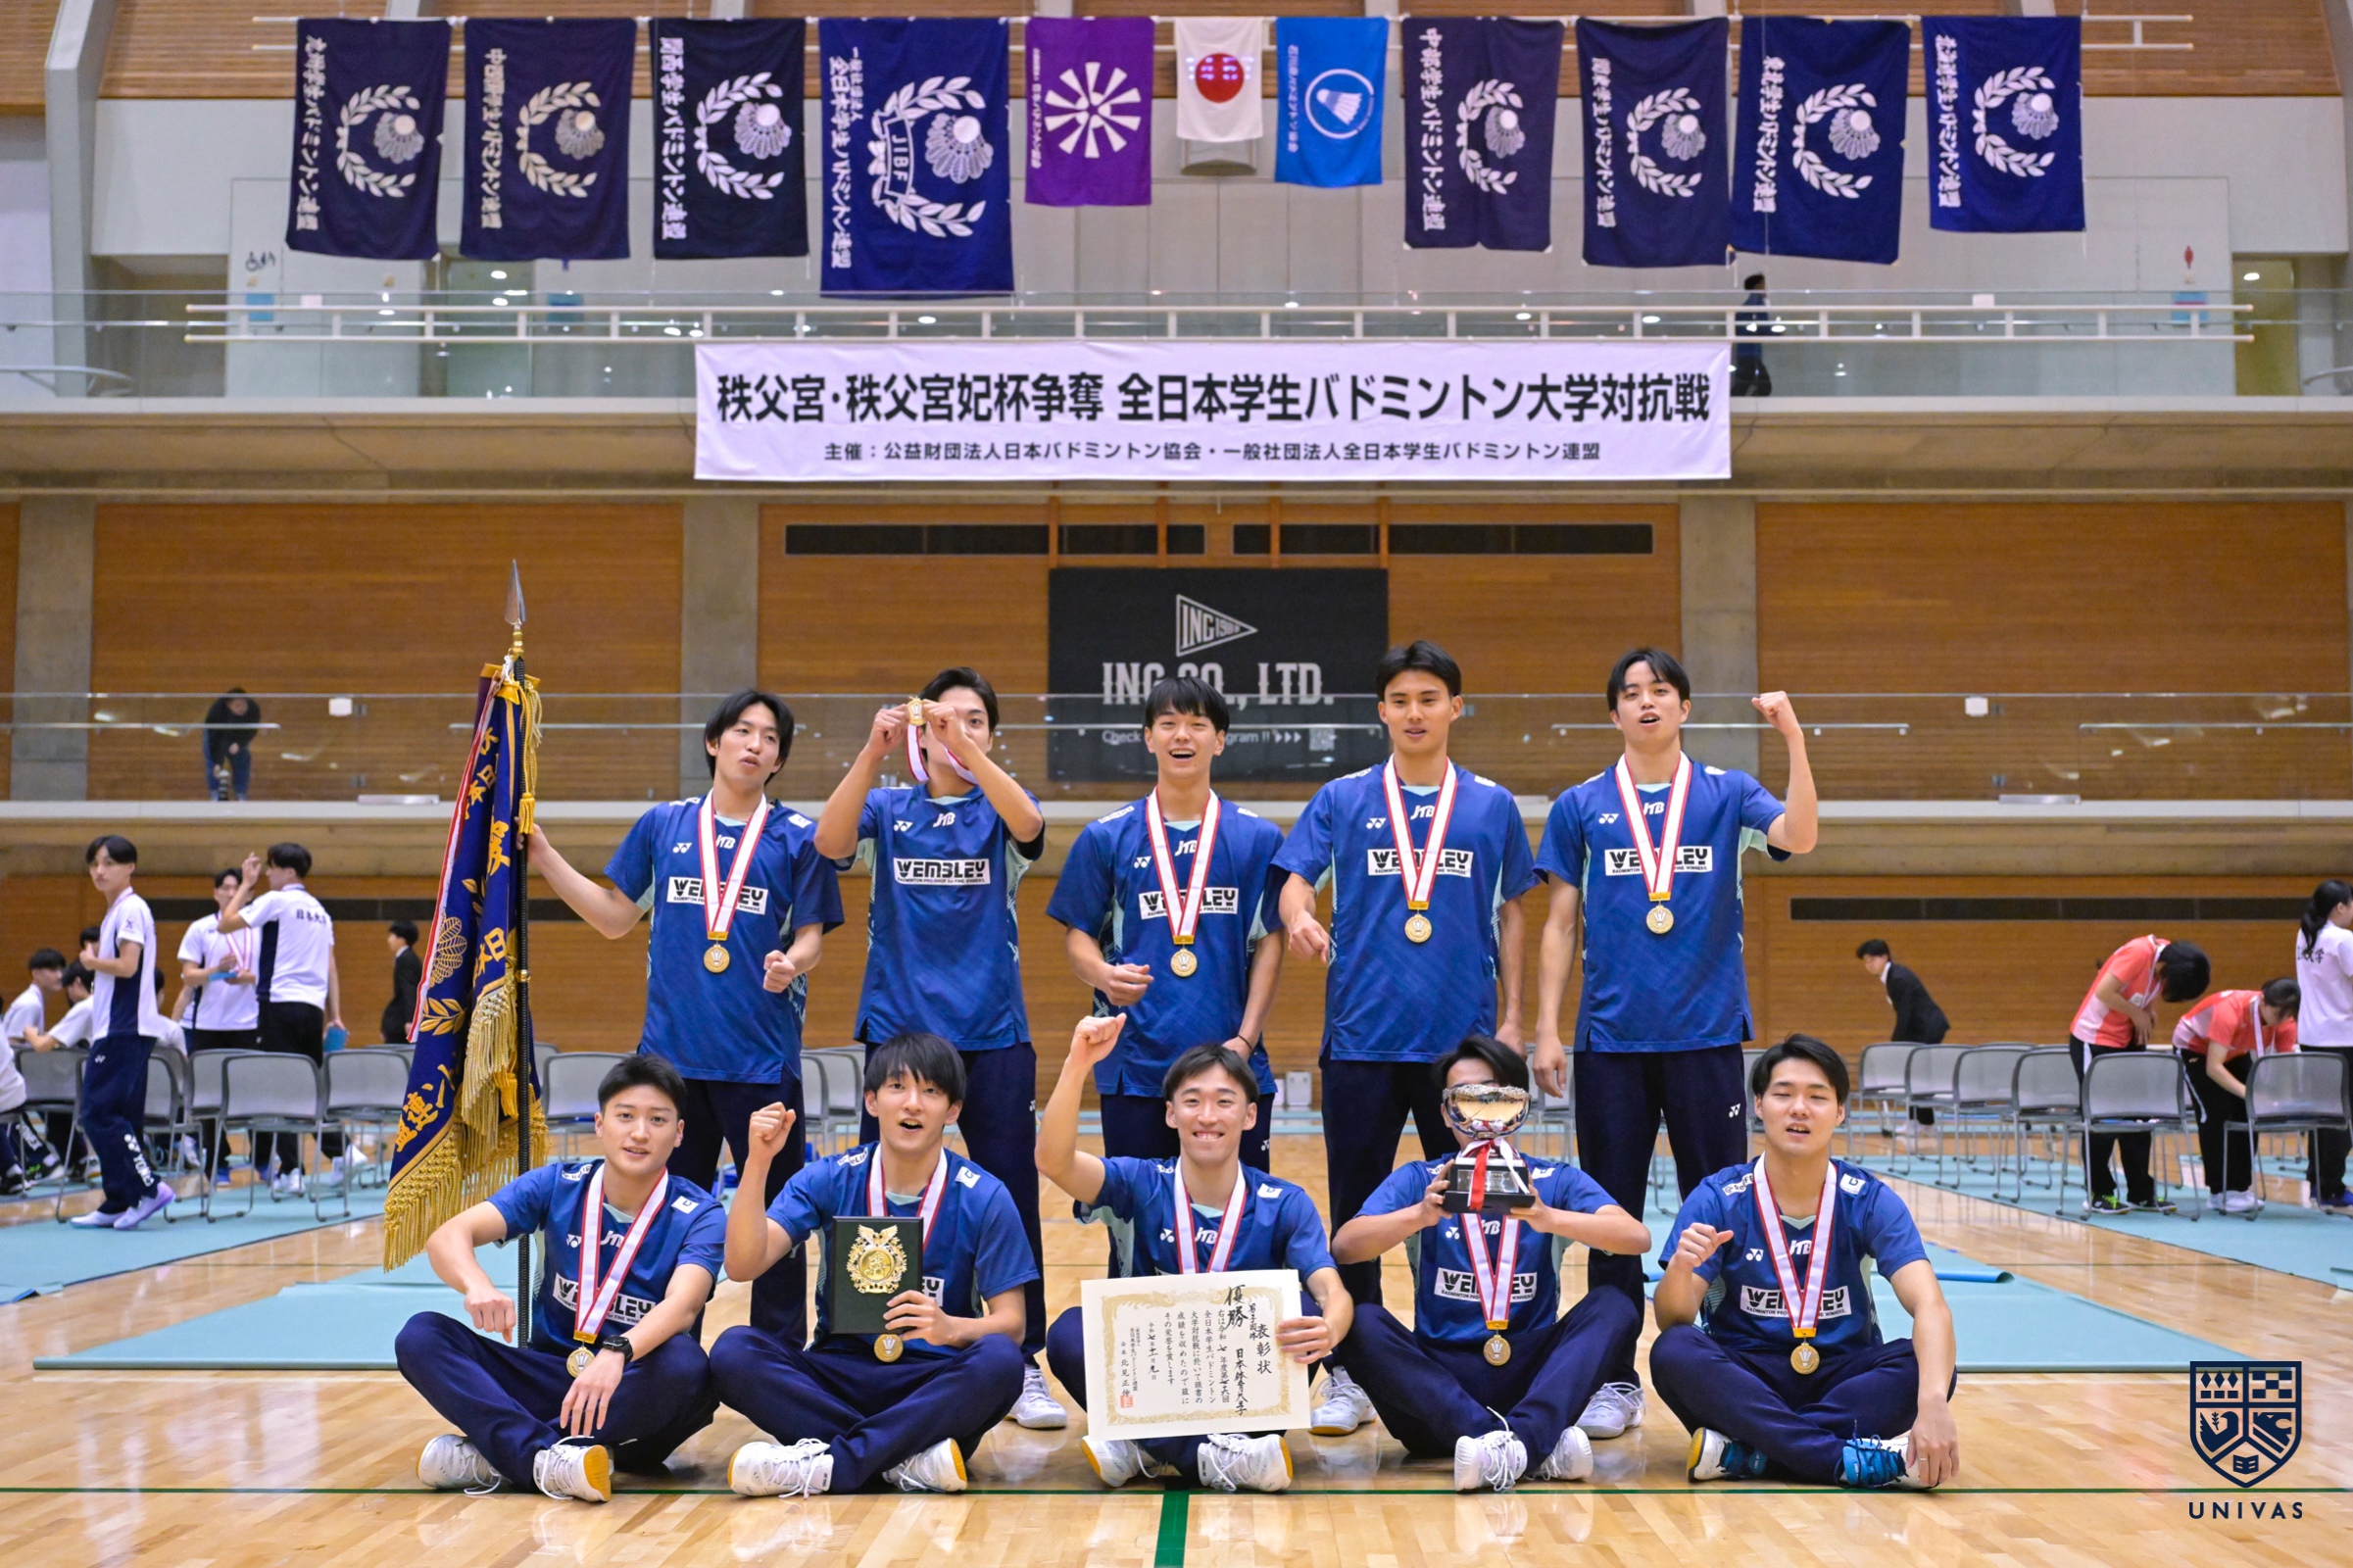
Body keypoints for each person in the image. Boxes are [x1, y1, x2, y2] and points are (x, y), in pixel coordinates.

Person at [1530, 647, 1816, 1440]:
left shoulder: (1726, 793)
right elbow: (1558, 924)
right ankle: (1612, 1379)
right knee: (1607, 1217)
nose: (1646, 702)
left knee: (1719, 1211)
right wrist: (1547, 1028)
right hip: (1611, 1042)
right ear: (1614, 713)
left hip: (1706, 1038)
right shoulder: (1580, 805)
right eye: (1630, 693)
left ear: (1684, 707)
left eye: (1659, 691)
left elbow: (1800, 835)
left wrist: (1793, 738)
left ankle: (1727, 1373)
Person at [1273, 638, 1536, 1439]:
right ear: (1381, 712)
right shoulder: (1342, 798)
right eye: (1399, 701)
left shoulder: (1491, 805)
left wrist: (1514, 1019)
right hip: (1362, 1040)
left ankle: (1459, 1358)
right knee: (1355, 1214)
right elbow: (1293, 881)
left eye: (1428, 699)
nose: (1414, 713)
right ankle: (1352, 1372)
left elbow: (1515, 910)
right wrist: (1297, 915)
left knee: (1473, 1207)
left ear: (1455, 707)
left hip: (1462, 1052)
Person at [528, 689, 844, 1344]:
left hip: (761, 1065)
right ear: (713, 742)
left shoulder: (798, 838)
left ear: (780, 760)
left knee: (777, 1217)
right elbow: (614, 918)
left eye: (770, 738)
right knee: (666, 1216)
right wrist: (545, 857)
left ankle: (777, 1357)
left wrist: (792, 962)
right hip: (669, 1069)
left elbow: (813, 937)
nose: (755, 744)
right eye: (743, 731)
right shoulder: (663, 825)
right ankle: (666, 1355)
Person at [810, 666, 1062, 1428]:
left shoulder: (999, 811)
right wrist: (872, 752)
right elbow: (827, 842)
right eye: (943, 720)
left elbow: (1031, 825)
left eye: (975, 720)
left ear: (991, 734)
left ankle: (1021, 1360)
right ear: (917, 735)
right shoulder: (888, 809)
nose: (957, 730)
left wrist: (966, 751)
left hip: (993, 1034)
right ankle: (869, 1349)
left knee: (1010, 1193)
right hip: (900, 1036)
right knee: (877, 1198)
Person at [393, 1054, 725, 1504]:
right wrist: (477, 1285)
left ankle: (502, 1455)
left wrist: (617, 1351)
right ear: (600, 1124)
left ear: (679, 1133)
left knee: (689, 1366)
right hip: (549, 1375)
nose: (640, 1133)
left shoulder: (700, 1213)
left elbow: (684, 1305)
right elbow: (447, 1236)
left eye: (657, 1120)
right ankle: (548, 1460)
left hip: (632, 1384)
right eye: (625, 1116)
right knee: (421, 1335)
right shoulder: (557, 1184)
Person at [713, 1032, 1032, 1497]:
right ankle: (904, 1458)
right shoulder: (830, 1177)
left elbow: (1012, 1325)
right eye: (898, 1087)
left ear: (953, 1110)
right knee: (734, 1351)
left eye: (931, 1091)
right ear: (872, 1101)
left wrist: (950, 1328)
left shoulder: (984, 1195)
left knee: (1001, 1361)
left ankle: (832, 1464)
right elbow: (743, 1265)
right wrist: (758, 1162)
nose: (913, 1104)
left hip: (931, 1384)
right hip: (840, 1375)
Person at [1036, 1016, 1347, 1494]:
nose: (1207, 1116)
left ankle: (1143, 1448)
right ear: (1170, 1114)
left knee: (1303, 1314)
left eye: (1224, 1102)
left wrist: (1331, 1329)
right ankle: (1217, 1458)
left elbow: (1332, 1291)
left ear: (1249, 1115)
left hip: (1239, 1388)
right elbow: (1053, 1161)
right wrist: (1078, 1063)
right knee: (1069, 1333)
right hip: (1156, 1371)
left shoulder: (1284, 1202)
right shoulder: (1139, 1182)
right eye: (1193, 1101)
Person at [1328, 1034, 1650, 1493]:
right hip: (1437, 1390)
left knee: (1614, 1306)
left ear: (1519, 1105)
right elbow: (1345, 1247)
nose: (1481, 1113)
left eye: (1494, 1097)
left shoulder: (1551, 1179)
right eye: (1466, 1098)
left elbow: (1635, 1238)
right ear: (1445, 1112)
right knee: (1360, 1321)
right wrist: (1419, 1215)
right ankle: (1530, 1447)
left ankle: (1513, 1443)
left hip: (1531, 1378)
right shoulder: (1422, 1179)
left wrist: (1548, 1217)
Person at [1650, 1035, 1959, 1491]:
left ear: (1840, 1112)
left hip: (1841, 1377)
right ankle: (1836, 1458)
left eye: (1817, 1097)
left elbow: (1930, 1305)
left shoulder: (1868, 1199)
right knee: (1674, 1350)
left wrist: (1933, 1403)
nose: (1799, 1109)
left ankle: (1755, 1454)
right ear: (1758, 1105)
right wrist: (1680, 1269)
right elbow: (1672, 1318)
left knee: (1928, 1365)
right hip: (1746, 1378)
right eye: (1783, 1094)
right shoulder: (1718, 1196)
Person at [1047, 674, 1287, 1181]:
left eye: (1197, 724)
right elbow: (1078, 934)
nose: (1182, 735)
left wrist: (1245, 1041)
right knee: (1137, 1213)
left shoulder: (1258, 838)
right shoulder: (1105, 837)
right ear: (1148, 737)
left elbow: (1270, 942)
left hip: (1233, 1067)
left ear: (1219, 741)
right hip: (1135, 1070)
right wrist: (1102, 975)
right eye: (1168, 723)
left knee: (1239, 1214)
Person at [218, 843, 347, 1194]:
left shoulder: (277, 901)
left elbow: (226, 923)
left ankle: (293, 1170)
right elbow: (331, 966)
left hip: (279, 1004)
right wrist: (334, 1014)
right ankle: (341, 1152)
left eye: (271, 868)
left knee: (281, 1087)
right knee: (310, 1086)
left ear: (288, 872)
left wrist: (246, 884)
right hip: (312, 1009)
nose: (267, 874)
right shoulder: (321, 912)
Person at [71, 836, 176, 1230]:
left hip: (123, 1026)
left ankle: (148, 1188)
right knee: (123, 1117)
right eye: (94, 863)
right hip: (122, 1027)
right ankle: (119, 1199)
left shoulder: (131, 908)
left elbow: (129, 966)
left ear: (130, 867)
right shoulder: (117, 910)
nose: (100, 871)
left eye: (109, 863)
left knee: (98, 1112)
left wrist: (91, 962)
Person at [2068, 933, 2210, 1214]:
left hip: (2128, 1040)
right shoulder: (2139, 952)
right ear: (2167, 970)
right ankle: (2099, 1193)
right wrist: (2137, 1013)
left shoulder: (2168, 957)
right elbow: (2104, 992)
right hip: (2094, 1040)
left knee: (2138, 1116)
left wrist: (2149, 1010)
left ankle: (2141, 1192)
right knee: (2102, 1118)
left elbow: (2146, 988)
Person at [2173, 979, 2299, 1215]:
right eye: (2277, 1012)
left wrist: (2273, 1100)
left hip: (2234, 1051)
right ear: (2263, 1001)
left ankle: (2239, 1188)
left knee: (2248, 1112)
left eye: (2287, 1014)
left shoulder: (2286, 1024)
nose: (2281, 1019)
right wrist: (2249, 1094)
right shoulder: (2229, 1010)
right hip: (2196, 1049)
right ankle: (2219, 1192)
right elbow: (2213, 1068)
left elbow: (2282, 1068)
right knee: (2215, 1112)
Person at [2293, 879, 2353, 1216]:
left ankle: (2319, 1180)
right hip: (2342, 1037)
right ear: (2340, 906)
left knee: (2324, 1111)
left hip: (2311, 1036)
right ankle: (2330, 1186)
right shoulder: (2342, 939)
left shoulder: (2305, 936)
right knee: (2341, 1114)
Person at [1857, 939, 1949, 1133]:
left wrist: (1895, 1046)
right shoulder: (1893, 976)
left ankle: (1919, 1122)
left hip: (1927, 1029)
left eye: (1872, 960)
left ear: (1885, 957)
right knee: (1917, 1075)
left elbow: (1905, 1015)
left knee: (1915, 1074)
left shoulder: (1898, 978)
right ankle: (1924, 1122)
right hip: (1921, 1029)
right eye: (1866, 962)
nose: (1869, 965)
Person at [1, 950, 68, 1187]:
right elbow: (12, 1043)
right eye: (52, 970)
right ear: (36, 974)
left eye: (61, 969)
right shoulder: (30, 1004)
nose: (59, 975)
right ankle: (42, 1161)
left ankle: (44, 1161)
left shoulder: (34, 1002)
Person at [170, 868, 241, 1030]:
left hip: (247, 1022)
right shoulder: (200, 928)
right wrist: (218, 970)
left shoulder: (257, 928)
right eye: (226, 888)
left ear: (247, 894)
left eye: (237, 888)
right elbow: (189, 979)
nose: (231, 894)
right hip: (205, 1021)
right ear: (216, 893)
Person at [203, 688, 261, 802]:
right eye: (237, 706)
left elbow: (251, 731)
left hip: (240, 735)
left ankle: (240, 793)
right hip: (218, 736)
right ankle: (214, 793)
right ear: (228, 705)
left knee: (242, 760)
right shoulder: (217, 713)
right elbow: (216, 740)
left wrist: (240, 744)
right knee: (212, 764)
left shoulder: (253, 709)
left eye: (243, 704)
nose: (241, 708)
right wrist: (218, 762)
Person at [382, 919, 422, 1043]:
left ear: (401, 939)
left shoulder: (405, 959)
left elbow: (409, 990)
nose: (389, 940)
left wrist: (410, 1020)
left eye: (392, 936)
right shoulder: (408, 957)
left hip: (400, 1022)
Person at [1733, 274, 1772, 397]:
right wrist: (1776, 332)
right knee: (1764, 386)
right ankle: (1728, 404)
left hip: (1745, 353)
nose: (1765, 288)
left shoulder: (1747, 305)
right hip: (1750, 353)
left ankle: (1735, 403)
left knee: (1743, 386)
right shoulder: (1756, 303)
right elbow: (1762, 326)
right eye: (1763, 285)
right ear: (1757, 286)